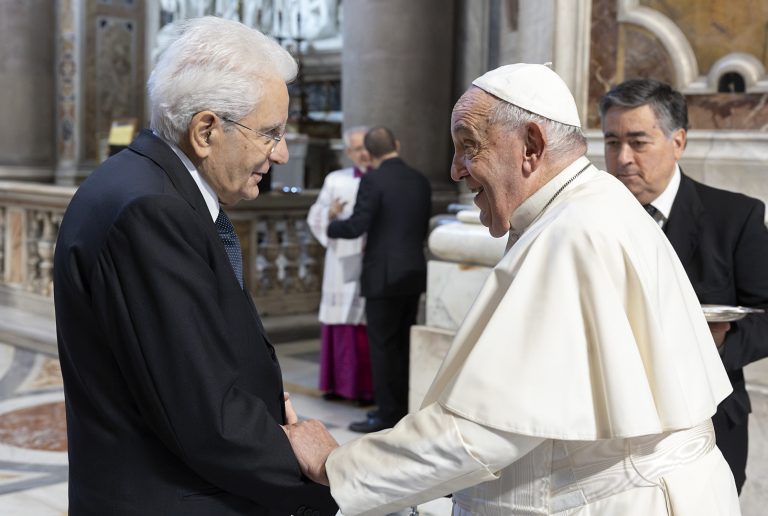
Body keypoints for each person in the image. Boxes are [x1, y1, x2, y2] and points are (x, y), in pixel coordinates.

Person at [283, 63, 741, 515]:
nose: (456, 169)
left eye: (468, 146)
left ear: (531, 146)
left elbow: (482, 431)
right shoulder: (586, 205)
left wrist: (337, 466)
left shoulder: (573, 232)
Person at [53, 16, 336, 516]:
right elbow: (202, 415)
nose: (282, 152)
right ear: (206, 130)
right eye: (270, 133)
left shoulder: (145, 185)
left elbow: (187, 356)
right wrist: (325, 477)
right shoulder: (151, 211)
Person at [599, 78, 768, 494]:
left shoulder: (735, 216)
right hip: (607, 433)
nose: (622, 159)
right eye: (611, 142)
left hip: (706, 425)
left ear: (678, 141)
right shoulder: (589, 221)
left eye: (638, 142)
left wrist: (720, 344)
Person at [326, 127, 432, 433]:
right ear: (397, 144)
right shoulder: (420, 180)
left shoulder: (373, 179)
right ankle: (402, 409)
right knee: (403, 344)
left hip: (382, 277)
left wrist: (332, 225)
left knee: (384, 348)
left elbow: (358, 225)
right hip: (413, 273)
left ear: (369, 155)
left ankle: (387, 416)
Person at [307, 126, 374, 404]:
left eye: (366, 147)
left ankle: (364, 389)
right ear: (348, 153)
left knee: (362, 324)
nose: (363, 153)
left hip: (368, 258)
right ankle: (336, 385)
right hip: (339, 259)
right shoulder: (336, 179)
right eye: (357, 148)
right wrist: (329, 213)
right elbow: (315, 216)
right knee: (338, 322)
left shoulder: (381, 178)